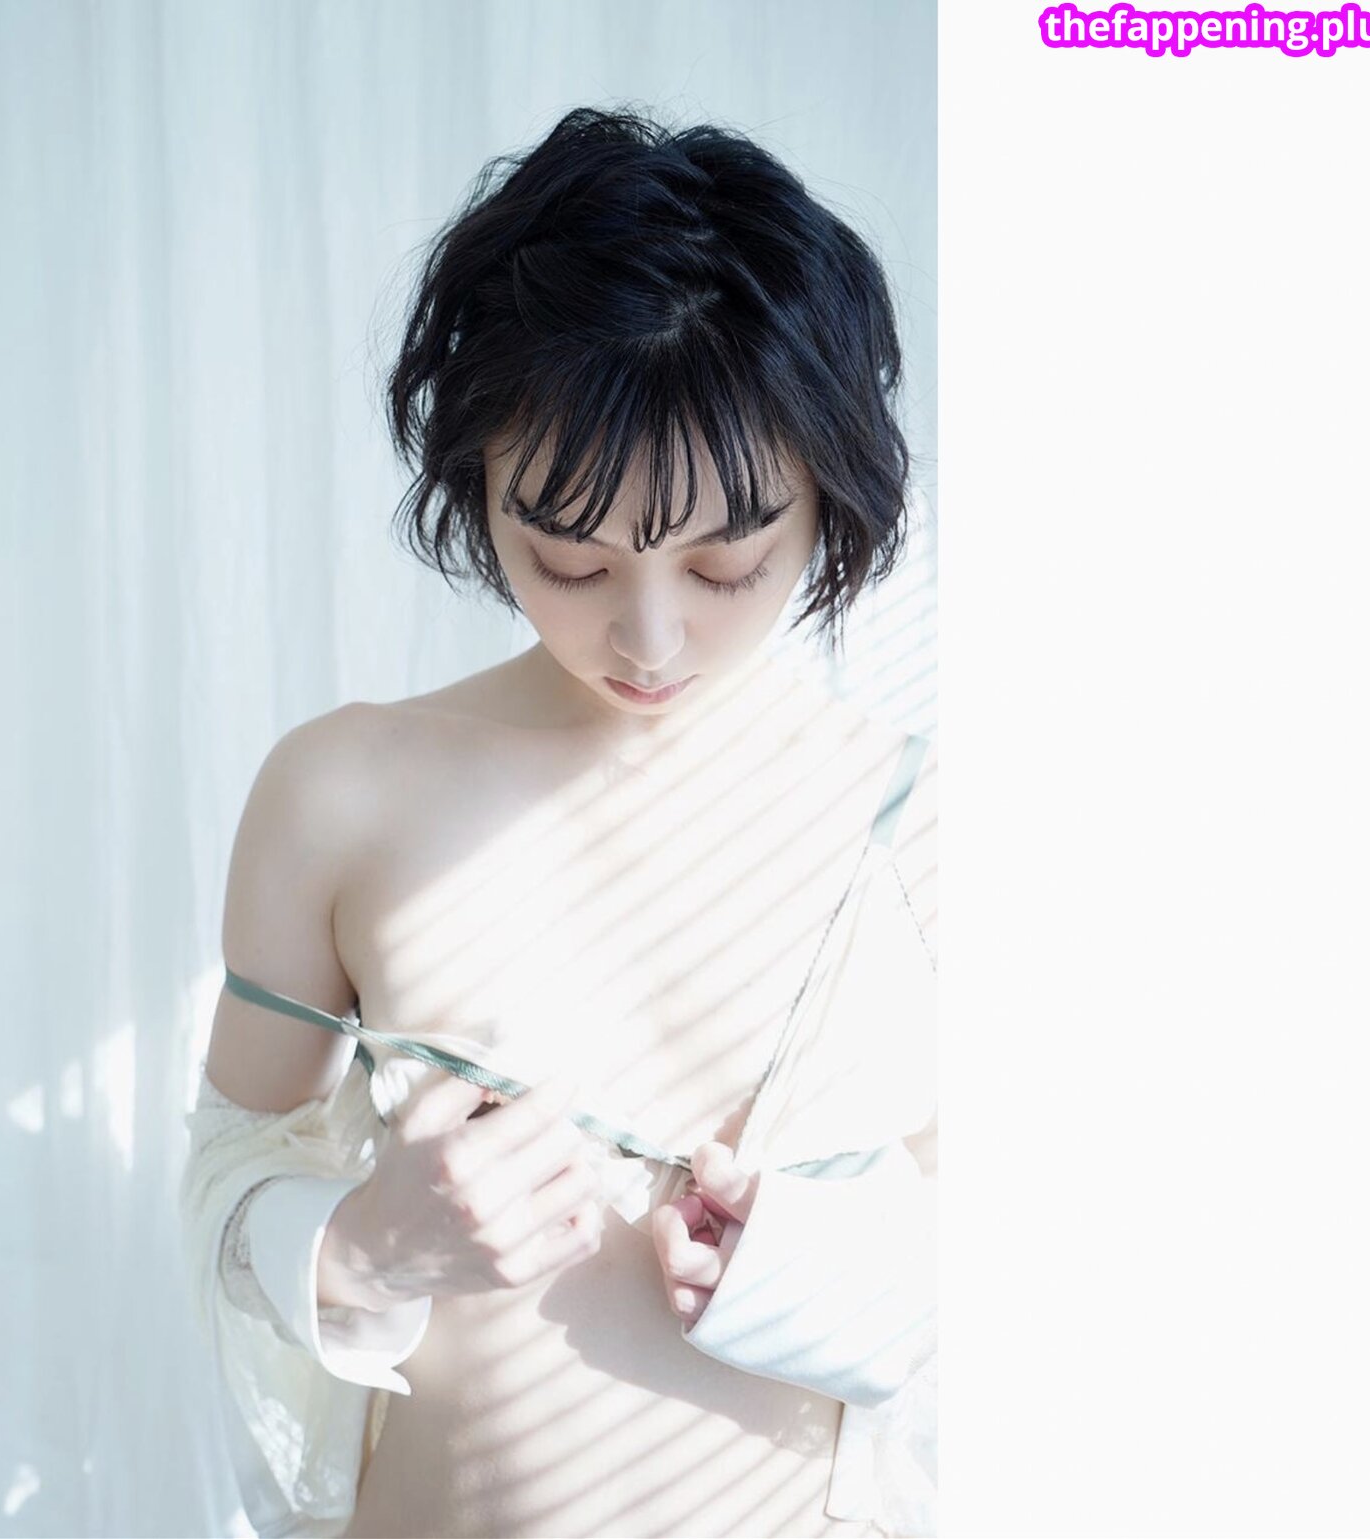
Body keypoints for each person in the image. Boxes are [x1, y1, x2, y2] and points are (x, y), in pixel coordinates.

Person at [181, 105, 938, 1538]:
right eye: (568, 560)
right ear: (479, 486)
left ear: (829, 495)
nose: (647, 639)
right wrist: (364, 1246)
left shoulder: (918, 820)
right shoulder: (342, 796)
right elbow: (223, 1181)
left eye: (726, 566)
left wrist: (826, 1277)